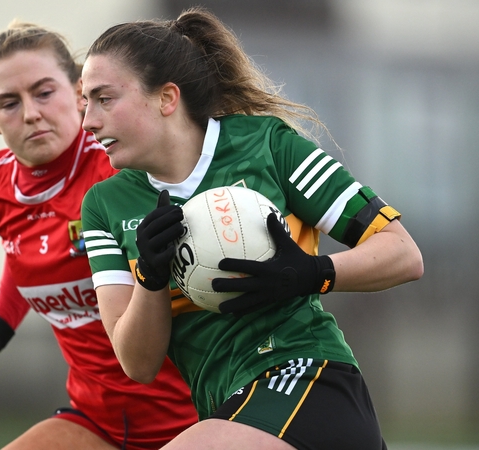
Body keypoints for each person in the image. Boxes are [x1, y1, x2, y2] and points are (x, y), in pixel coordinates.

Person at [79, 7, 423, 450]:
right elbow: (138, 364)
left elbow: (403, 253)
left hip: (309, 379)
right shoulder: (105, 206)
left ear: (166, 98)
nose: (89, 120)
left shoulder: (268, 146)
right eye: (85, 101)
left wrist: (311, 272)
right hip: (230, 406)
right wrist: (150, 276)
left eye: (104, 99)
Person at [0, 21, 198, 450]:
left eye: (44, 92)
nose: (31, 113)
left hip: (194, 417)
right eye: (9, 103)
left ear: (80, 94)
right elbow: (25, 250)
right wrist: (0, 323)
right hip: (99, 423)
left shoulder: (124, 171)